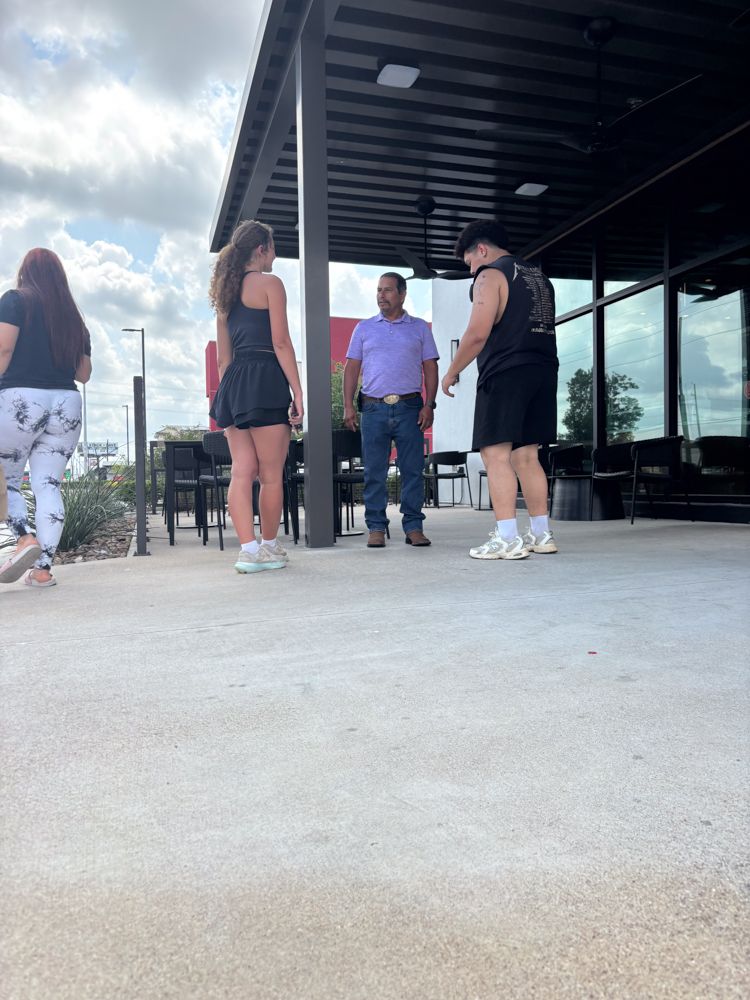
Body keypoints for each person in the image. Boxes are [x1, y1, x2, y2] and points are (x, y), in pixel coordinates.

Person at [441, 219, 558, 561]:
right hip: (543, 370)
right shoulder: (540, 278)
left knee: (495, 454)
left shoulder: (490, 275)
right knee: (527, 455)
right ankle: (542, 534)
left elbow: (477, 332)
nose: (472, 272)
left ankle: (507, 538)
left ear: (481, 249)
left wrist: (452, 372)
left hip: (505, 372)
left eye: (470, 263)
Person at [208, 220, 303, 573]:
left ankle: (247, 551)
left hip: (233, 385)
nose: (275, 256)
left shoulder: (225, 295)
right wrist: (297, 390)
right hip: (265, 379)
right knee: (271, 473)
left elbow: (223, 358)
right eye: (273, 248)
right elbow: (280, 342)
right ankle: (269, 546)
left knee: (241, 472)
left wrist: (231, 390)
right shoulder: (270, 285)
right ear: (261, 249)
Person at [0, 248, 92, 587]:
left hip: (21, 400)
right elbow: (84, 373)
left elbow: (3, 349)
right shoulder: (73, 318)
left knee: (6, 480)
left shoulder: (14, 300)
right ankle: (42, 570)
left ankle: (24, 537)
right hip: (66, 403)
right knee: (48, 484)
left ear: (26, 273)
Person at [343, 272, 439, 548]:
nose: (381, 295)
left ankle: (413, 527)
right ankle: (375, 527)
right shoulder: (363, 328)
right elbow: (351, 369)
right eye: (378, 290)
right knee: (374, 471)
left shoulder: (420, 328)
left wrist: (429, 405)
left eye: (387, 290)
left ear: (402, 294)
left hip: (411, 407)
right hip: (373, 408)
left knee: (413, 470)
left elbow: (430, 367)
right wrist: (349, 405)